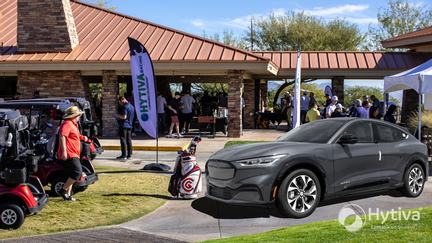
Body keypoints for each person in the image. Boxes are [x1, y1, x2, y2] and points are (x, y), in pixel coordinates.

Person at [58, 106, 89, 201]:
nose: (79, 117)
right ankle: (63, 190)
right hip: (69, 153)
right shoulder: (67, 124)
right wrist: (64, 151)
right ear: (74, 116)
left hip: (74, 153)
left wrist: (84, 138)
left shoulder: (73, 125)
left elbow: (75, 136)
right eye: (78, 115)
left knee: (71, 174)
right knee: (77, 172)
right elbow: (62, 137)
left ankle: (68, 195)